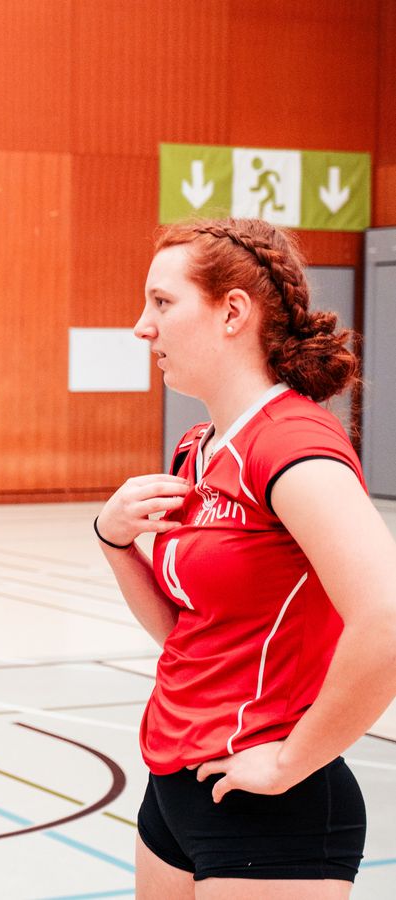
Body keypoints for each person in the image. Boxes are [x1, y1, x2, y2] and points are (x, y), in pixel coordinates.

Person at [96, 218, 396, 898]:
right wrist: (115, 544)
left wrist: (293, 761)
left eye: (162, 302)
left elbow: (384, 619)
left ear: (232, 312)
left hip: (269, 809)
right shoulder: (197, 447)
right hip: (176, 783)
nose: (142, 326)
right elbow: (188, 633)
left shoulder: (291, 444)